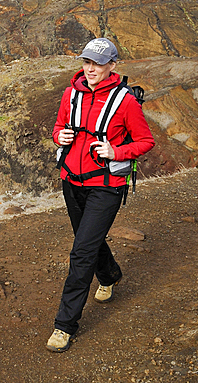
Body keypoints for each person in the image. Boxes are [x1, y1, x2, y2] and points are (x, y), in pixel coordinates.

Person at [46, 37, 155, 353]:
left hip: (106, 185)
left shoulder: (126, 102)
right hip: (71, 180)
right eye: (86, 62)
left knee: (81, 251)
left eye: (97, 62)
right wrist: (59, 135)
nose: (90, 68)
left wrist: (115, 150)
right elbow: (57, 127)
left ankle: (64, 326)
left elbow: (145, 141)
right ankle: (109, 275)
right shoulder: (70, 94)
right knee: (87, 239)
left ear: (112, 65)